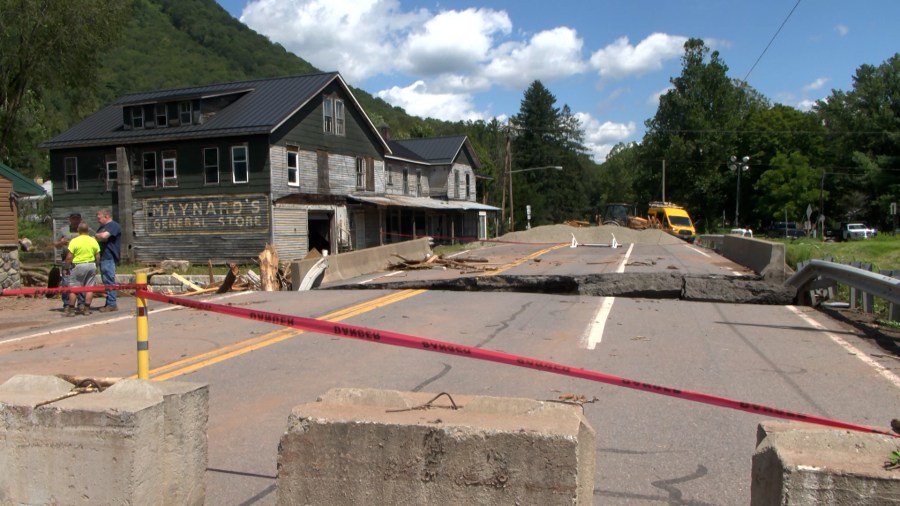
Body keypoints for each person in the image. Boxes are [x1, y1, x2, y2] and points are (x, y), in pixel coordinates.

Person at [55, 213, 91, 311]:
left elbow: (94, 239)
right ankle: (67, 304)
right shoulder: (64, 230)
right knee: (66, 282)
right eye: (73, 219)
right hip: (67, 259)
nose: (75, 221)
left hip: (81, 260)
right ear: (70, 219)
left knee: (82, 282)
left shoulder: (85, 230)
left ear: (80, 220)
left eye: (77, 219)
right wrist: (61, 242)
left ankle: (81, 303)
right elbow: (56, 244)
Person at [64, 223, 100, 316]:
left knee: (74, 288)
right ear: (88, 230)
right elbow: (98, 255)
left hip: (79, 265)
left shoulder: (74, 241)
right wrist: (96, 266)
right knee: (89, 288)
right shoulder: (93, 241)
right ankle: (87, 309)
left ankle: (71, 310)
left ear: (78, 230)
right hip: (91, 264)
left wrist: (66, 267)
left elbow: (69, 256)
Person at [95, 209, 122, 312]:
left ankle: (112, 304)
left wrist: (98, 235)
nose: (98, 220)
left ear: (106, 216)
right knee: (105, 280)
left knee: (109, 280)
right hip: (103, 256)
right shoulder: (102, 227)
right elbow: (99, 237)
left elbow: (104, 236)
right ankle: (109, 302)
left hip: (109, 257)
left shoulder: (113, 225)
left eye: (99, 218)